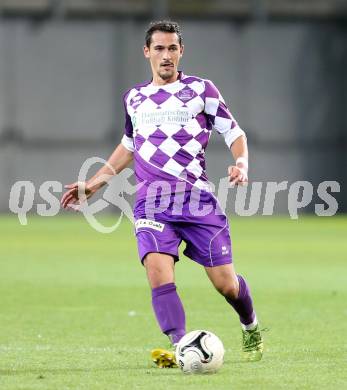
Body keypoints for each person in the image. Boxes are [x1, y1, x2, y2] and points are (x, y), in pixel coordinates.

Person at [61, 20, 263, 367]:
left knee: (226, 284)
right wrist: (94, 183)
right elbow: (129, 145)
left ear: (181, 51)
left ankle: (251, 325)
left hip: (197, 202)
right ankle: (180, 344)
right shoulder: (135, 98)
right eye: (159, 48)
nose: (166, 55)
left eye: (172, 48)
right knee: (157, 269)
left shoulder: (202, 90)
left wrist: (241, 164)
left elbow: (234, 132)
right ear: (147, 52)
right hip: (151, 202)